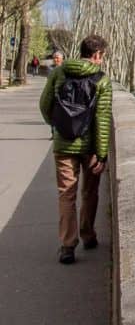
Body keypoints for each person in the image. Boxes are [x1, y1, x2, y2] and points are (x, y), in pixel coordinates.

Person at [38, 34, 113, 265]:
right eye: (102, 56)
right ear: (97, 54)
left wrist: (58, 126)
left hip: (64, 144)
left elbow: (44, 104)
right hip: (89, 147)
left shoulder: (60, 72)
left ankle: (67, 246)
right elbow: (101, 120)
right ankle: (88, 235)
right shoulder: (101, 79)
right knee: (89, 193)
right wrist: (101, 154)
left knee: (66, 194)